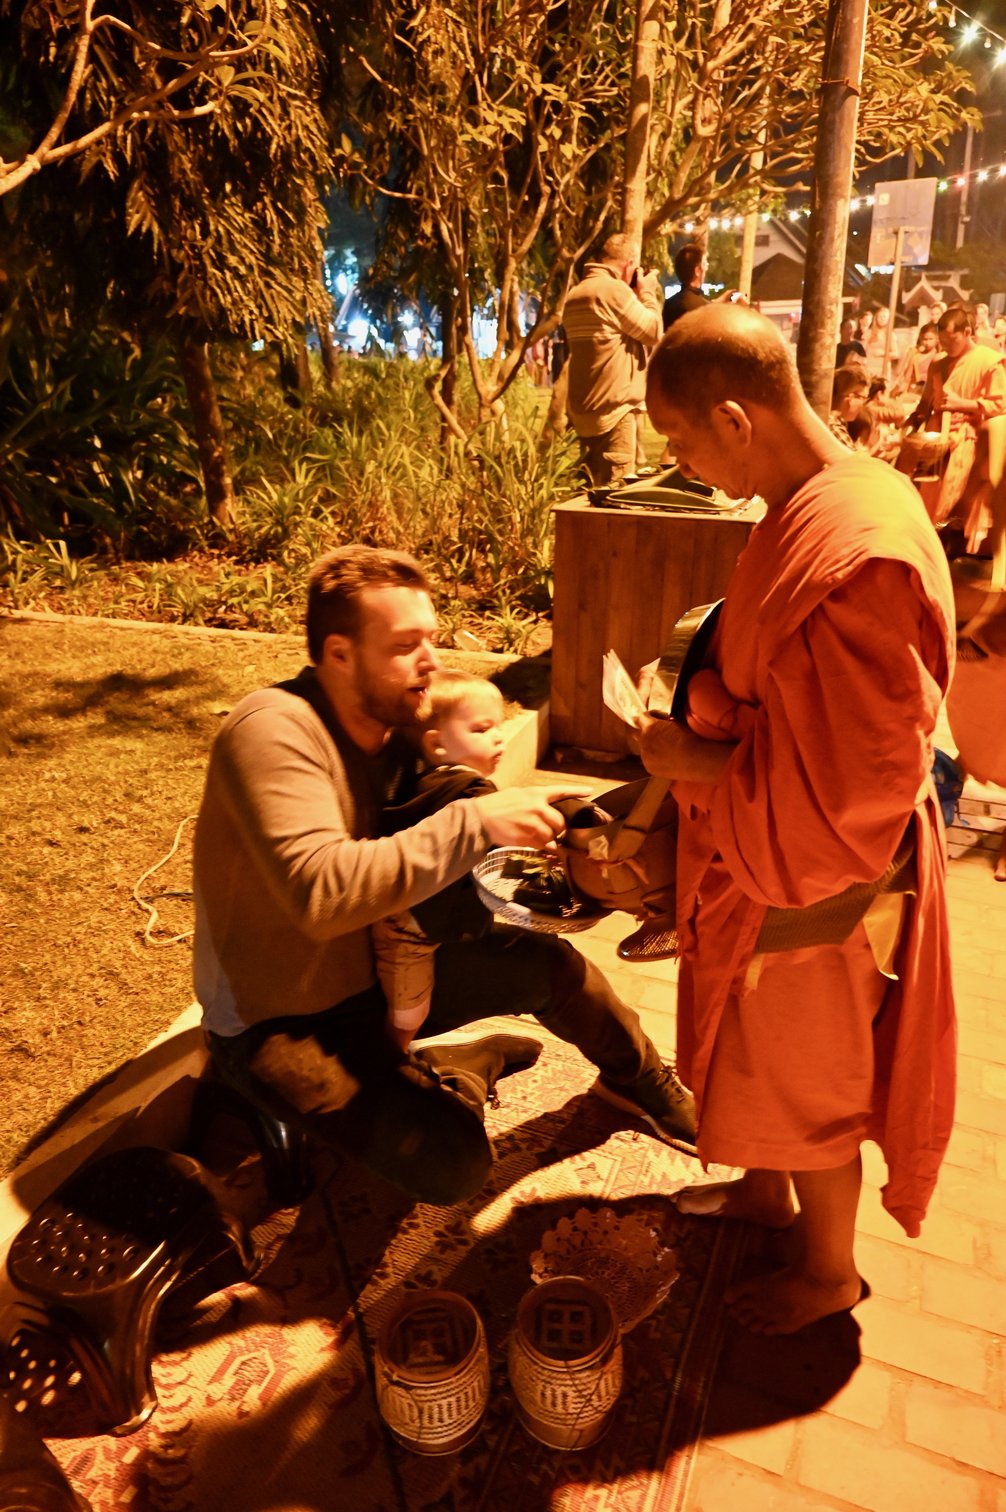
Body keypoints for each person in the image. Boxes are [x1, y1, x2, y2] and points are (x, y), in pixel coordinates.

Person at [193, 545, 698, 1209]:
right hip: (280, 1022)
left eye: (429, 637)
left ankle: (643, 1082)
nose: (431, 660)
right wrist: (479, 825)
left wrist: (578, 835)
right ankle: (461, 1067)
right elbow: (318, 894)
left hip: (372, 970)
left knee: (556, 969)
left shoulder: (393, 729)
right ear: (339, 654)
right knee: (453, 1163)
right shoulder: (273, 731)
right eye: (406, 644)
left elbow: (445, 820)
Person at [639, 304, 956, 1335]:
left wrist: (697, 755)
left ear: (735, 417)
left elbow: (856, 783)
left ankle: (826, 1274)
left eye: (683, 441)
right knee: (752, 1048)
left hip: (820, 874)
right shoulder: (816, 498)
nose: (685, 464)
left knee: (807, 1070)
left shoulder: (858, 545)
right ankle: (759, 1191)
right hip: (768, 840)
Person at [373, 669, 505, 1049]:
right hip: (407, 932)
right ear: (438, 744)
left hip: (419, 915)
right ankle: (393, 1057)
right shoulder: (467, 791)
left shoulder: (430, 781)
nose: (497, 736)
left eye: (499, 726)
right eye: (481, 729)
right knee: (408, 1010)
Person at [563, 232, 663, 487]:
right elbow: (652, 332)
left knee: (590, 494)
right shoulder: (613, 291)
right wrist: (647, 292)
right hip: (613, 413)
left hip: (585, 413)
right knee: (615, 498)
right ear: (630, 265)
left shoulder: (576, 293)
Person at [900, 303, 1006, 523]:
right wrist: (915, 419)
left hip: (966, 442)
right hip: (934, 442)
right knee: (924, 501)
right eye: (943, 342)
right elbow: (926, 402)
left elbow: (1000, 405)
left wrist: (963, 404)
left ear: (967, 332)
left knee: (950, 502)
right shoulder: (938, 363)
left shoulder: (988, 361)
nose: (946, 347)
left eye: (951, 341)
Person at [890, 322, 938, 399]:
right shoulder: (916, 357)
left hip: (933, 393)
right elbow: (907, 378)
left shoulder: (940, 357)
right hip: (916, 392)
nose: (928, 342)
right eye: (925, 339)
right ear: (921, 339)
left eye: (930, 339)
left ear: (937, 339)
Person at [828, 366, 871, 446]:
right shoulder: (834, 429)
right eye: (863, 398)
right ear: (851, 398)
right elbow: (855, 459)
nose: (863, 405)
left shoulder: (832, 422)